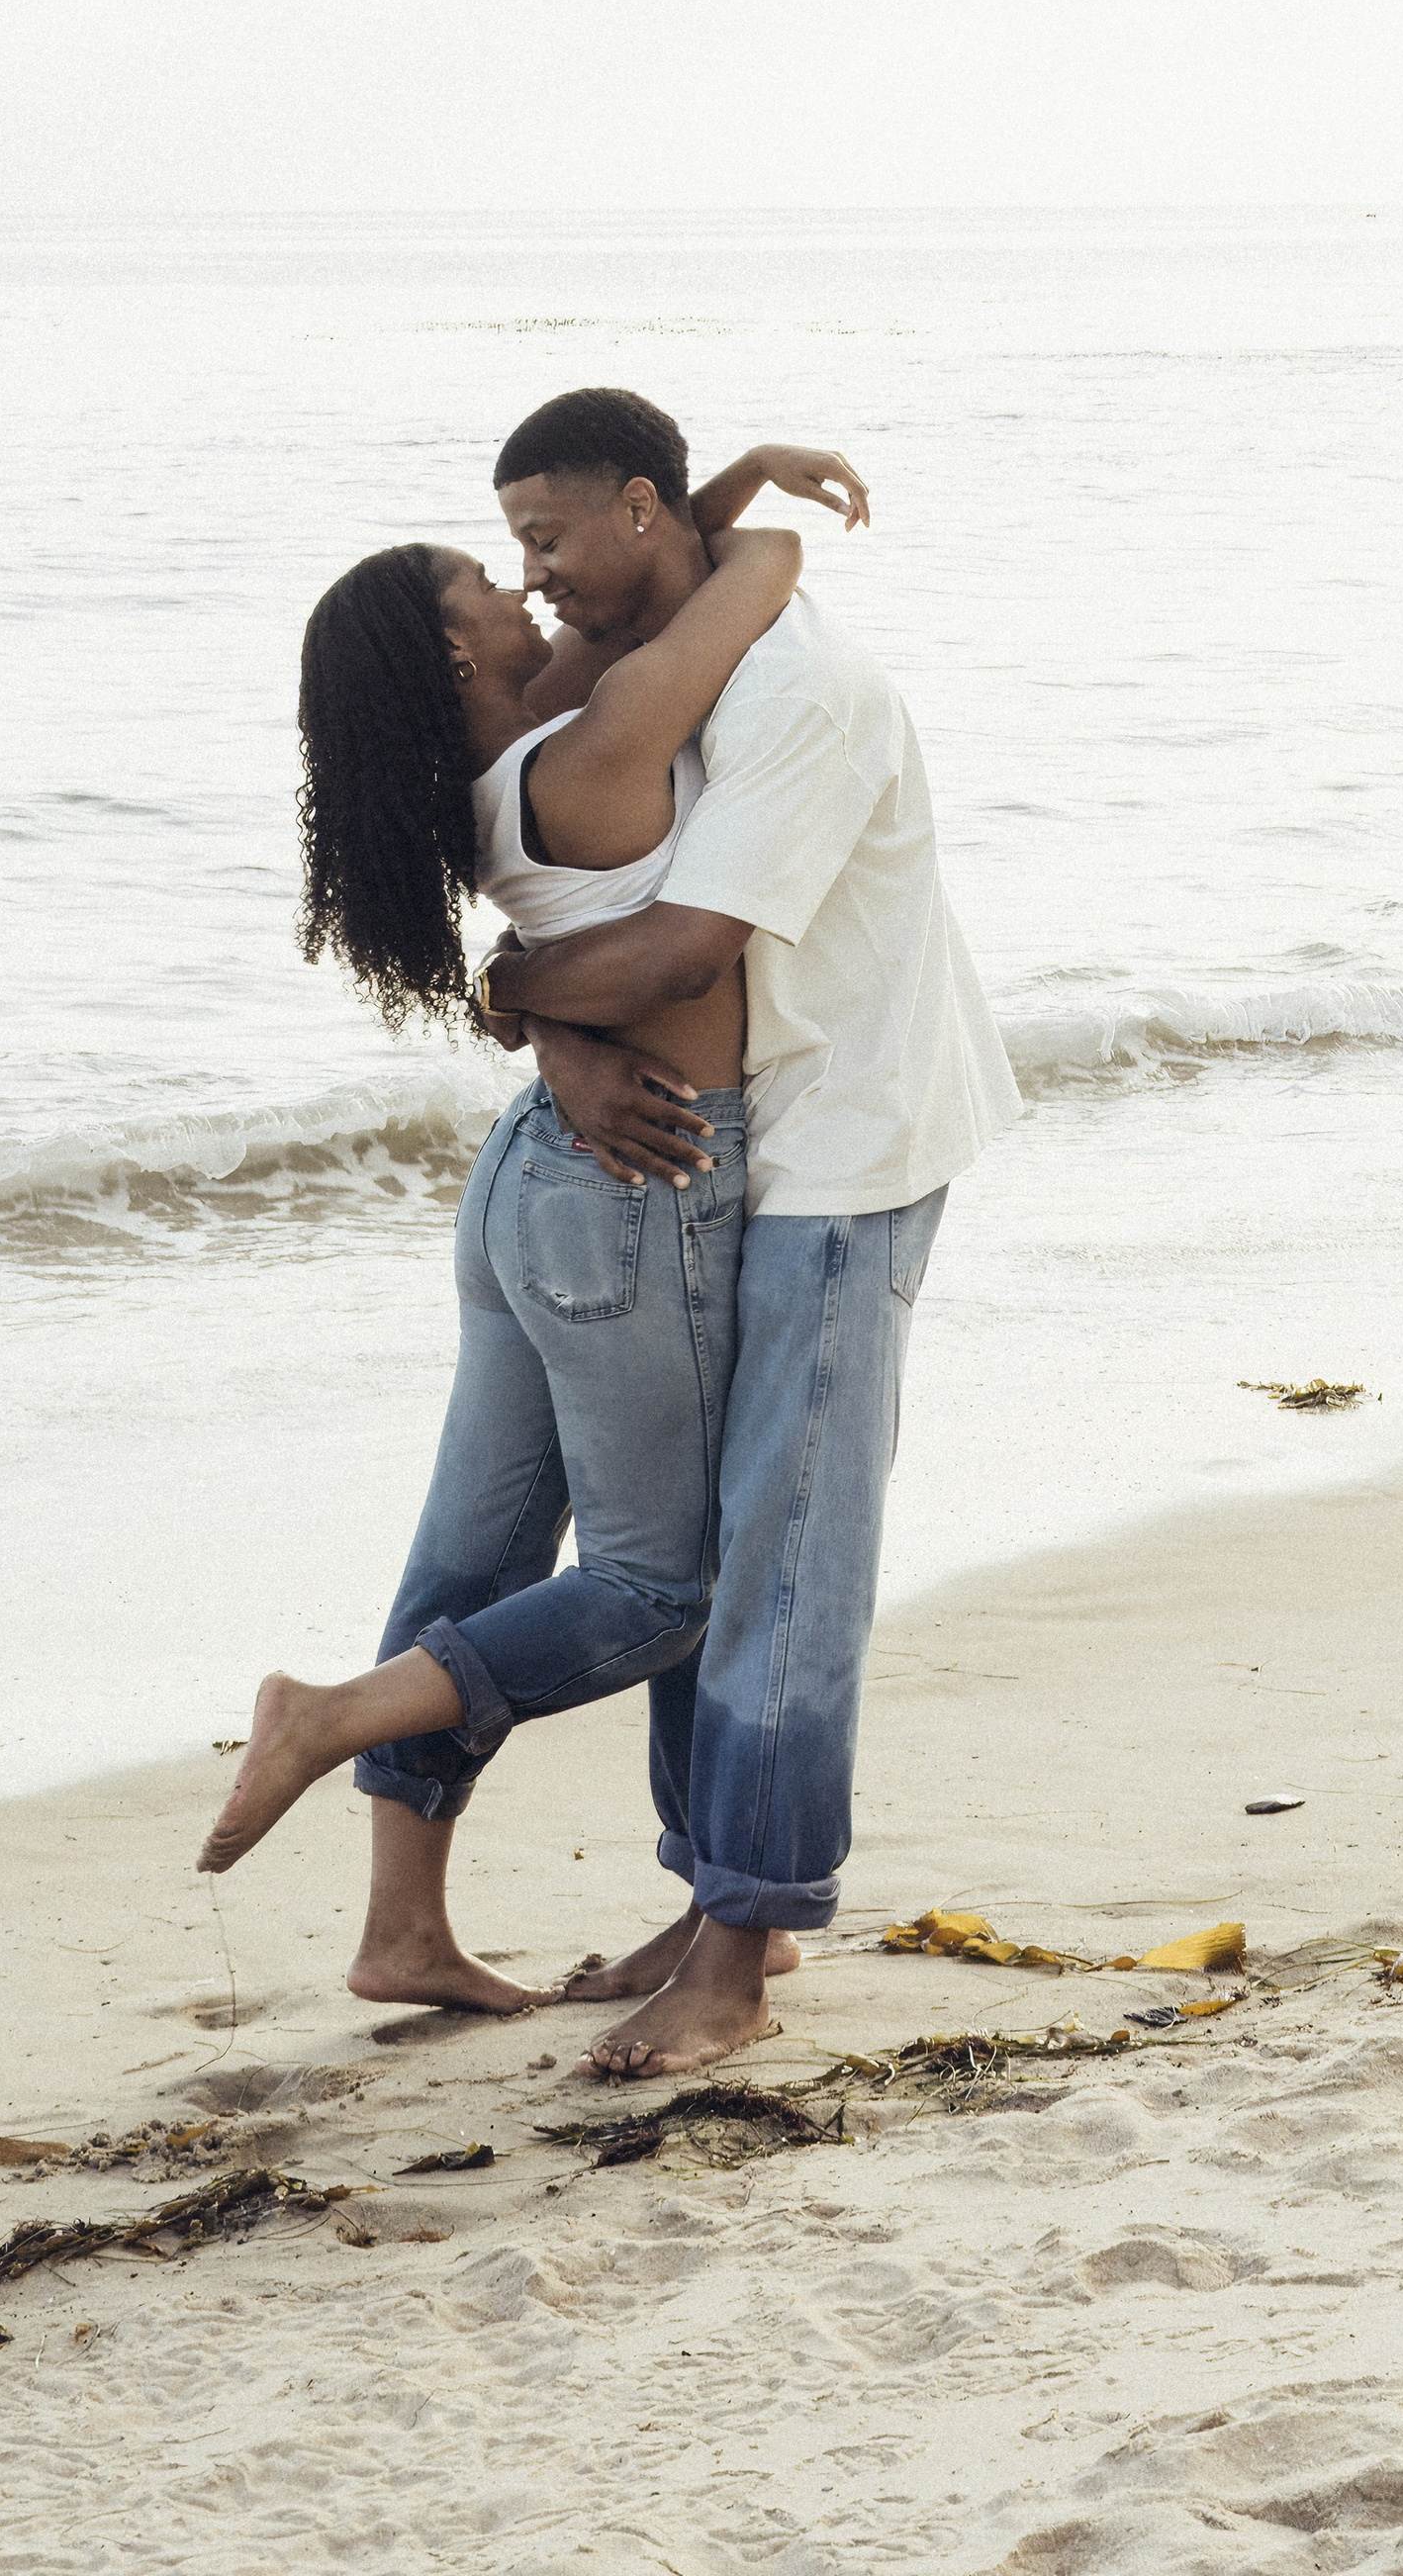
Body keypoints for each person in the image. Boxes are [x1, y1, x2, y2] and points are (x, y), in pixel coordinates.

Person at [195, 414, 867, 2028]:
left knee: (474, 1560)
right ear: (453, 650)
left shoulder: (515, 750)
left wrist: (716, 483)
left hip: (527, 1190)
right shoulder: (587, 747)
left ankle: (400, 1934)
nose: (529, 587)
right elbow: (734, 591)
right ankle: (333, 1714)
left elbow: (638, 589)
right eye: (495, 577)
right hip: (636, 1189)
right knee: (660, 1590)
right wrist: (764, 515)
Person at [480, 387, 1022, 2075]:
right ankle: (719, 1895)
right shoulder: (684, 649)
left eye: (552, 539)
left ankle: (749, 1931)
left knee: (790, 1550)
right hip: (732, 1145)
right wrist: (552, 1023)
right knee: (711, 1542)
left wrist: (516, 999)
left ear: (639, 513)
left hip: (849, 1143)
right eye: (516, 549)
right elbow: (585, 891)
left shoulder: (797, 693)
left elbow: (685, 947)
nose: (538, 576)